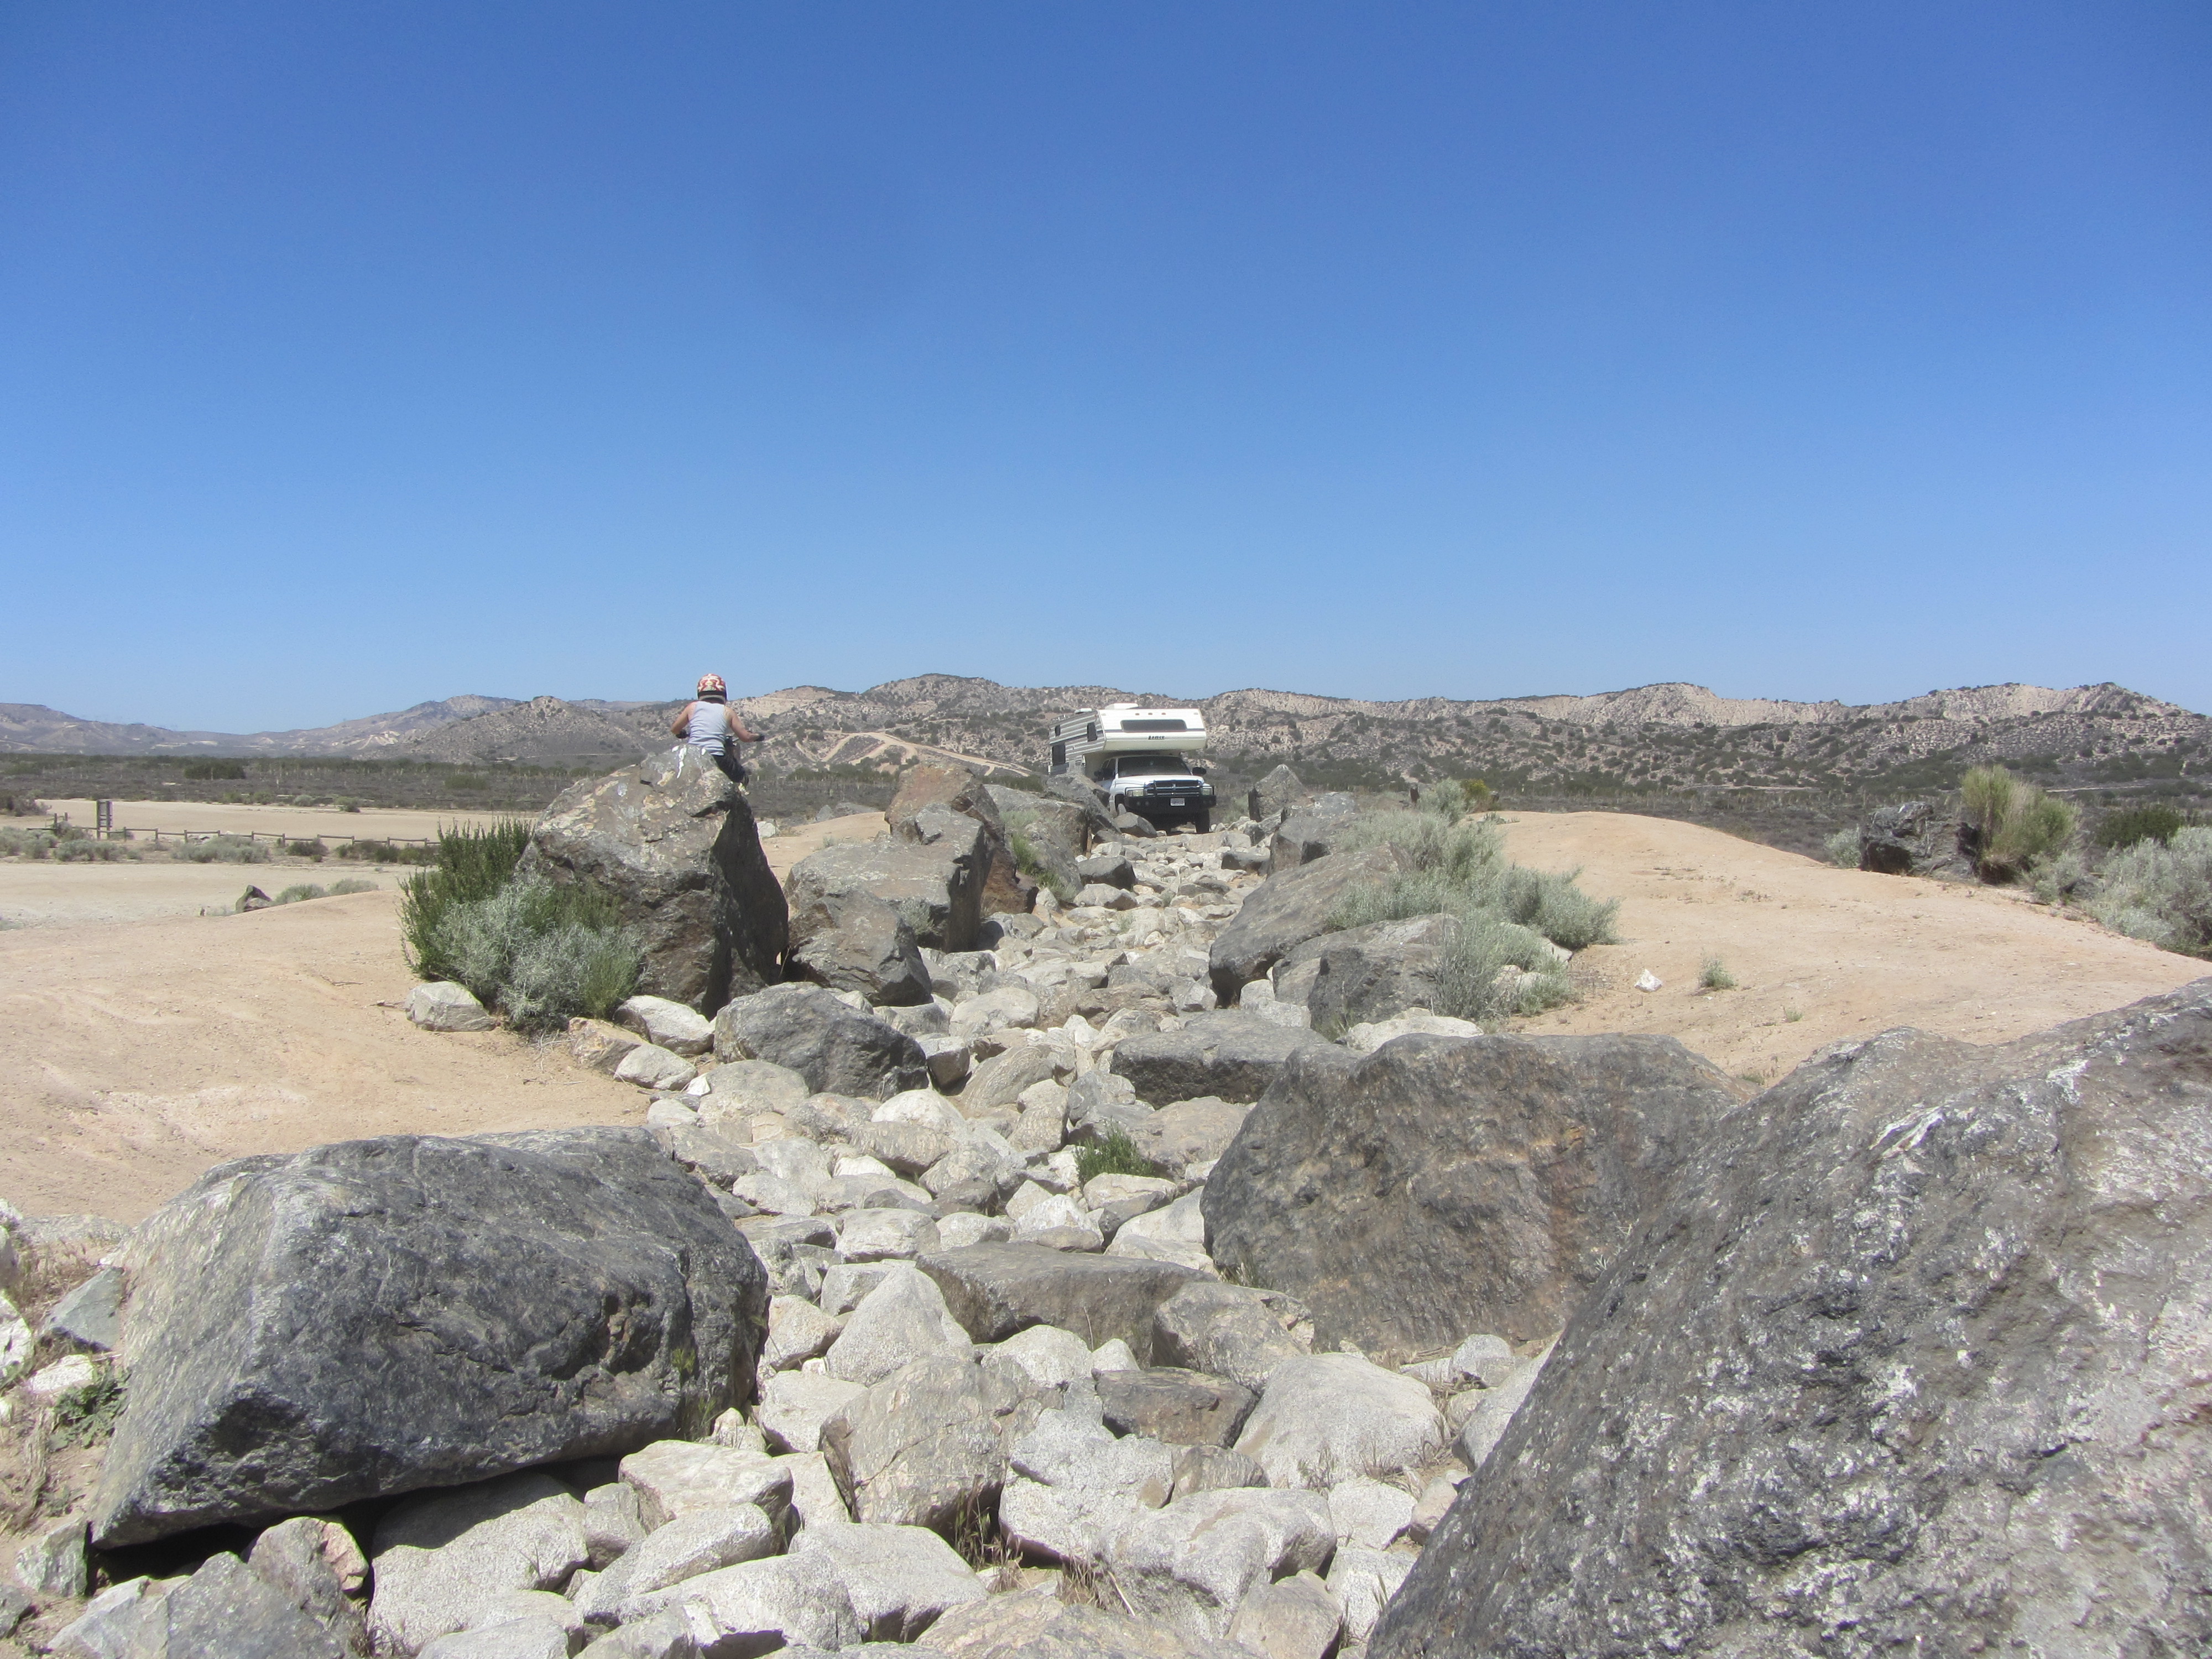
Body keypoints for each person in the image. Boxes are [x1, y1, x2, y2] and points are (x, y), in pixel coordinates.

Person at [669, 673, 760, 784]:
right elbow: (745, 737)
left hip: (694, 755)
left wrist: (681, 733)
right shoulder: (728, 711)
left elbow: (674, 729)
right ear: (723, 693)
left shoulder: (692, 707)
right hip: (717, 756)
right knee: (741, 776)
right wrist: (758, 736)